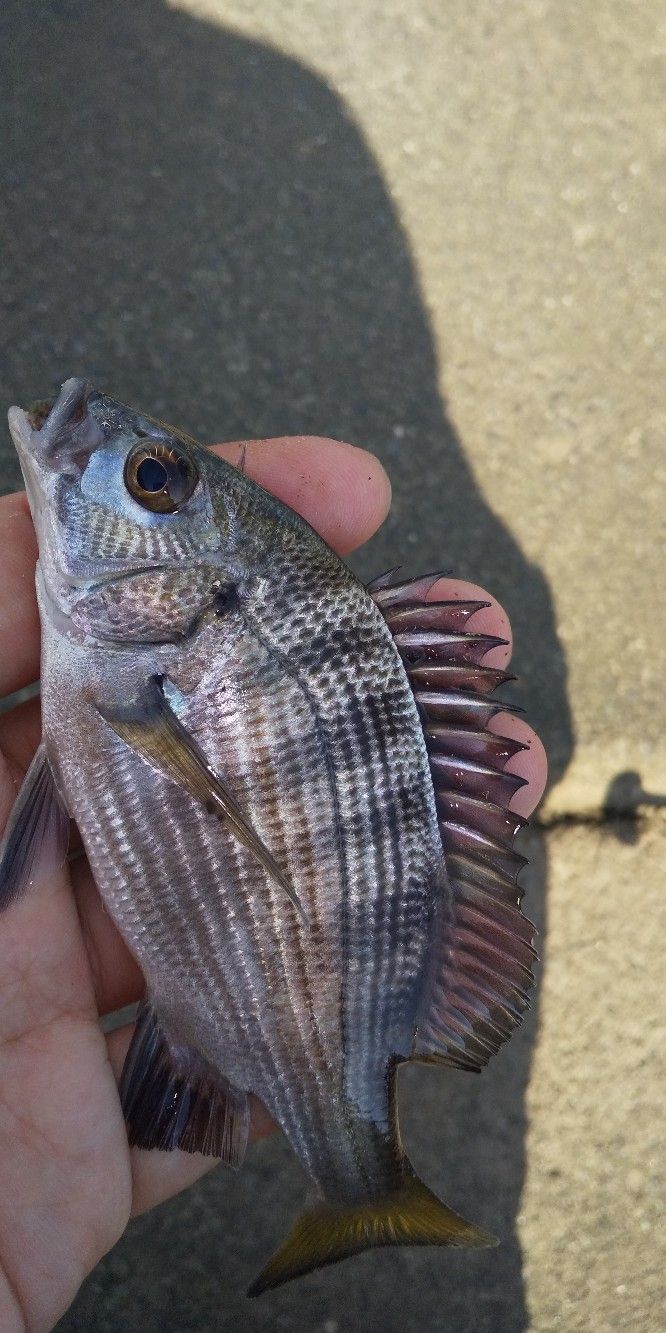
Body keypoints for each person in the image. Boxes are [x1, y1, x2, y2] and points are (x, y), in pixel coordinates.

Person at [0, 434, 547, 1331]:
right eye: (156, 475)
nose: (93, 449)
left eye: (149, 480)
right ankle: (365, 1181)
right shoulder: (125, 666)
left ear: (206, 588)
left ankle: (363, 1183)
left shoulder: (132, 666)